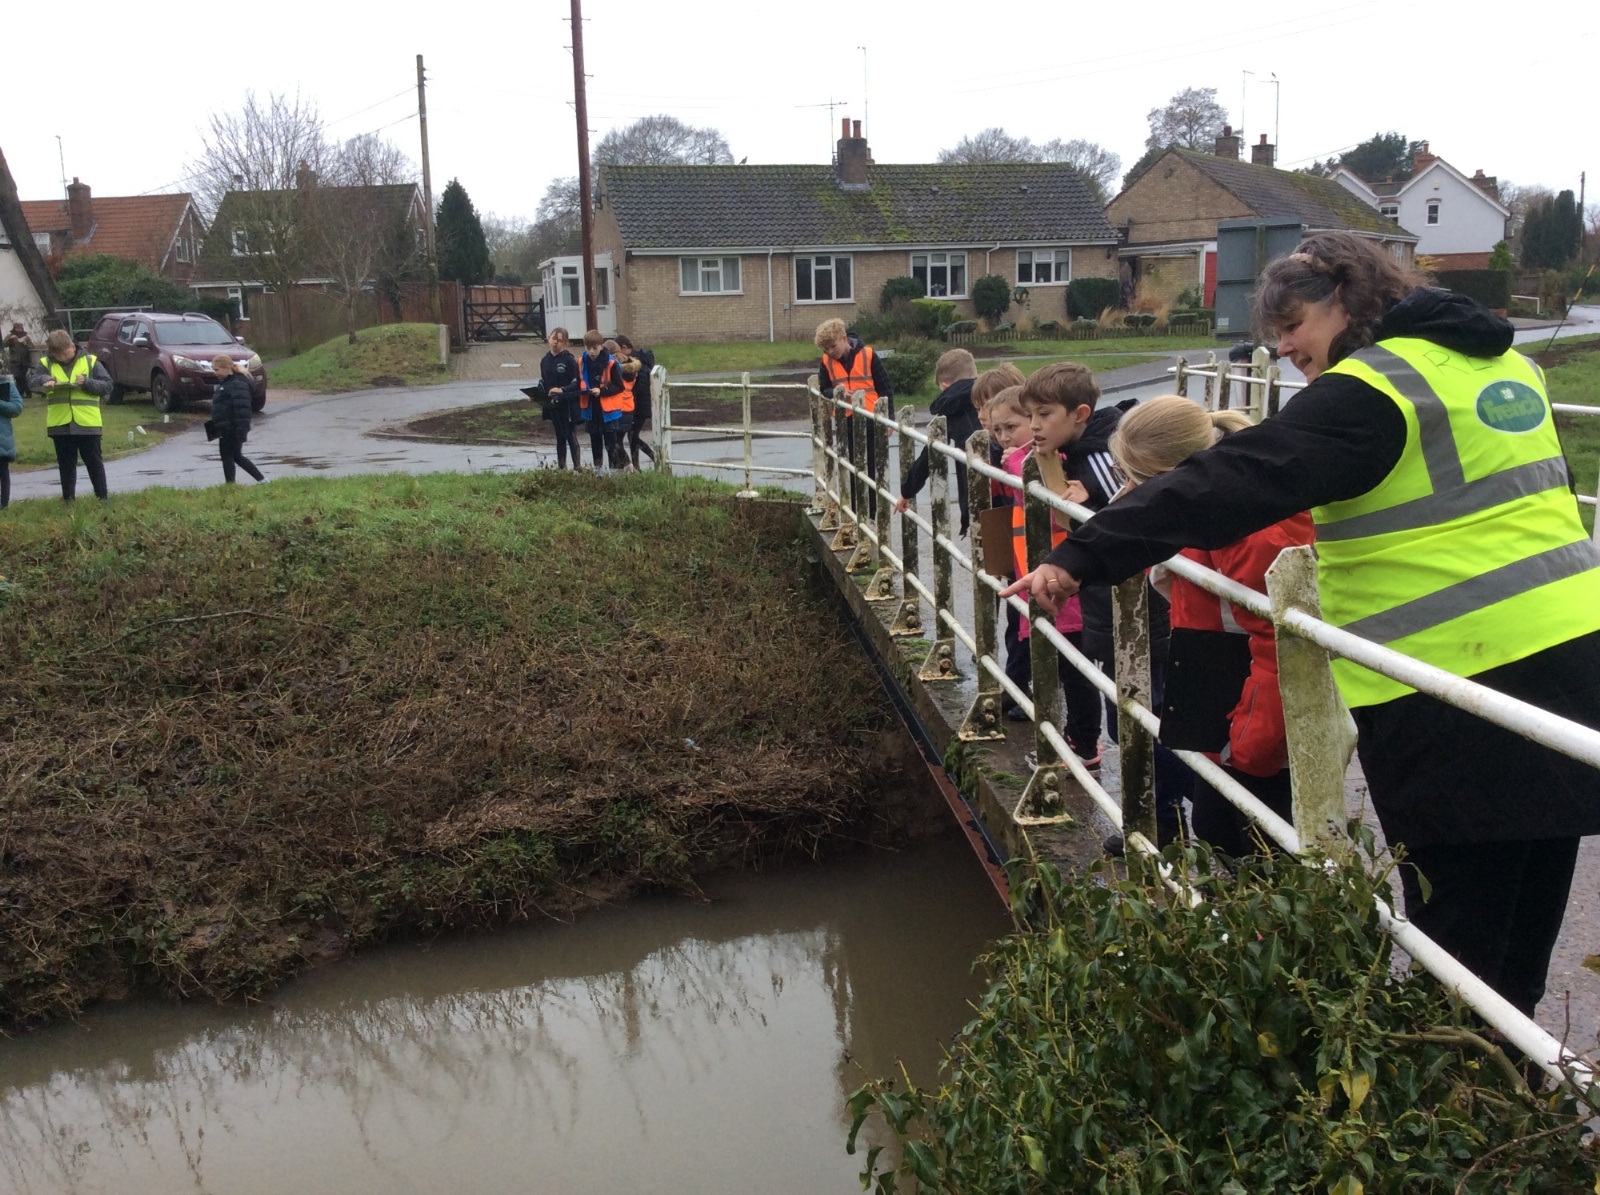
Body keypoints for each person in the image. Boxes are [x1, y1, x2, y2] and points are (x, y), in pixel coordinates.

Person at [1004, 230, 1600, 1016]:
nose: (1284, 348)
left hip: (1458, 698)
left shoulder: (1375, 387)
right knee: (1521, 939)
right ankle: (1512, 1080)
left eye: (1295, 325)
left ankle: (1468, 1082)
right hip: (1568, 679)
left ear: (1348, 300)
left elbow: (1229, 479)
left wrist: (1082, 554)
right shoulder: (1506, 367)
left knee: (1457, 955)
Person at [1110, 398, 1314, 857]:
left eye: (1136, 479)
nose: (1131, 492)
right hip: (1223, 687)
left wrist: (1252, 741)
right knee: (1218, 827)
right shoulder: (1205, 509)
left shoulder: (1247, 525)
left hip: (1255, 705)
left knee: (1259, 836)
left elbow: (1281, 642)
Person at [1013, 364, 1112, 769]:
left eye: (1044, 414)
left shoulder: (1100, 453)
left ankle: (1086, 747)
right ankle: (1082, 743)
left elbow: (1125, 503)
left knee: (1105, 684)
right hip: (1083, 586)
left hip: (1108, 593)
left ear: (1080, 414)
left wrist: (1094, 489)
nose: (1034, 425)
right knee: (1085, 673)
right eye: (1030, 414)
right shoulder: (1066, 450)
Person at [894, 349, 982, 533]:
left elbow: (930, 454)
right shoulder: (991, 394)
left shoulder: (952, 407)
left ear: (945, 385)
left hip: (975, 487)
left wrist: (906, 491)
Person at [815, 318, 893, 516]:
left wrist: (889, 419)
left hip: (871, 417)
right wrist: (836, 392)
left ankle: (872, 513)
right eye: (825, 349)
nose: (830, 352)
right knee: (850, 465)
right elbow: (824, 388)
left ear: (844, 338)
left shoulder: (869, 355)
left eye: (832, 346)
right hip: (846, 420)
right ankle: (856, 511)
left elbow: (885, 388)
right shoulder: (826, 361)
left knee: (872, 466)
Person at [29, 329, 111, 502]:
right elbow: (31, 383)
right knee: (66, 465)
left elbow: (107, 385)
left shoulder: (90, 361)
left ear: (73, 346)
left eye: (66, 353)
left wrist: (87, 382)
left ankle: (102, 498)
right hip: (60, 424)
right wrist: (44, 380)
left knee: (94, 462)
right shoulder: (45, 363)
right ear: (52, 353)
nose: (63, 358)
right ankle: (68, 499)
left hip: (88, 423)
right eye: (58, 355)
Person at [209, 356, 265, 484]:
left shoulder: (237, 384)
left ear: (226, 368)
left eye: (216, 369)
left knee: (231, 456)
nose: (214, 373)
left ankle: (235, 484)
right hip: (224, 427)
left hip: (231, 427)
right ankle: (259, 480)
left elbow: (242, 410)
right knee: (232, 456)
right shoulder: (226, 383)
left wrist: (241, 430)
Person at [578, 331, 625, 474]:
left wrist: (602, 391)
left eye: (595, 348)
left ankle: (614, 473)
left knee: (611, 444)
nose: (591, 352)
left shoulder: (611, 363)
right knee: (595, 441)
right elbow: (578, 382)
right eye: (588, 348)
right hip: (591, 409)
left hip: (608, 411)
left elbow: (619, 386)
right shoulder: (581, 362)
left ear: (601, 346)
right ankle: (598, 472)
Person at [538, 327, 583, 470]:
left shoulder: (569, 360)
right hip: (553, 405)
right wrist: (537, 394)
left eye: (559, 340)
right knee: (559, 436)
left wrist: (562, 390)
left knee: (570, 434)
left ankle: (577, 467)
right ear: (548, 339)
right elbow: (543, 381)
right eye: (553, 339)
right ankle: (562, 466)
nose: (555, 343)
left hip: (567, 405)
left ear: (565, 343)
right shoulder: (545, 360)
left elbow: (576, 383)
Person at [614, 334, 656, 470]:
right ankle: (637, 465)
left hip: (639, 406)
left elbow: (639, 388)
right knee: (632, 435)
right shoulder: (637, 361)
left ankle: (653, 457)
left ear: (624, 348)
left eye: (617, 351)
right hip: (638, 405)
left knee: (632, 435)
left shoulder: (636, 364)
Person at [0, 369, 21, 509]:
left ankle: (4, 505)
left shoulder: (6, 384)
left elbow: (17, 407)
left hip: (2, 438)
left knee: (2, 471)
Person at [5, 323, 32, 398]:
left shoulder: (26, 337)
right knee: (17, 376)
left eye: (20, 328)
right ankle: (24, 392)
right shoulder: (10, 336)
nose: (19, 330)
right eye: (17, 328)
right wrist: (10, 340)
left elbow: (32, 346)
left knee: (23, 377)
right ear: (14, 328)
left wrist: (25, 344)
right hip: (15, 360)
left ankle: (25, 393)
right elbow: (4, 344)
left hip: (24, 360)